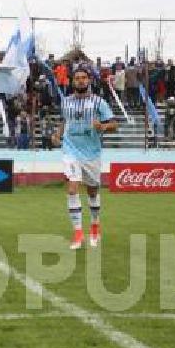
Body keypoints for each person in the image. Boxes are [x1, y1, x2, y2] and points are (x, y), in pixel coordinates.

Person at [52, 67, 118, 249]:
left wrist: (102, 127)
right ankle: (78, 233)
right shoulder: (66, 102)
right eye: (77, 78)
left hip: (92, 153)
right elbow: (65, 121)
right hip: (70, 150)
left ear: (89, 81)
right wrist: (57, 134)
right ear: (73, 81)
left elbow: (114, 124)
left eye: (83, 78)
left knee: (92, 192)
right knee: (72, 188)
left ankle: (95, 226)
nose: (80, 81)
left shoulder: (99, 102)